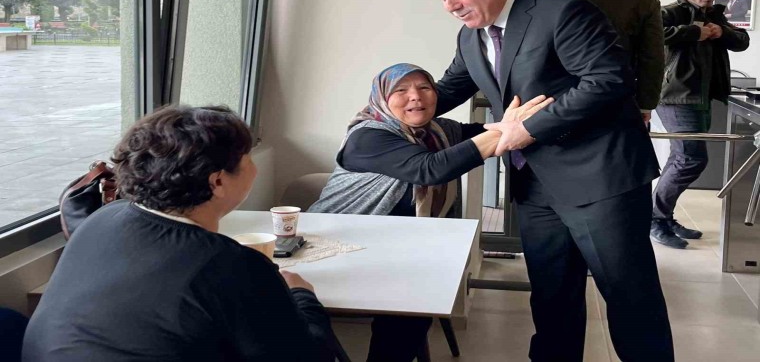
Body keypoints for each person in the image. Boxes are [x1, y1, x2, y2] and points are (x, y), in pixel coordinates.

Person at [430, 0, 673, 361]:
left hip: (601, 179)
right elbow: (448, 89)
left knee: (629, 296)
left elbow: (608, 79)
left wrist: (527, 129)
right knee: (551, 295)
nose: (451, 6)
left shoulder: (563, 12)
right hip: (534, 186)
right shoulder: (471, 35)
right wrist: (388, 110)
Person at [23, 105, 339, 362]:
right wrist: (302, 295)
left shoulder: (103, 218)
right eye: (247, 157)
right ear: (217, 182)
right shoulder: (230, 263)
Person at [309, 62, 551, 361]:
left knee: (413, 301)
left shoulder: (437, 130)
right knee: (409, 297)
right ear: (382, 97)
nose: (416, 97)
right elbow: (428, 169)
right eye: (401, 90)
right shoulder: (368, 136)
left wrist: (531, 122)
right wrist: (506, 132)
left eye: (424, 87)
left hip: (395, 247)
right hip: (338, 241)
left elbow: (489, 134)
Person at [651, 0, 750, 249]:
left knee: (681, 157)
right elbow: (653, 36)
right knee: (691, 159)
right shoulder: (668, 12)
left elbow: (742, 41)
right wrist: (696, 32)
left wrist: (721, 33)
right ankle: (655, 218)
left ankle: (664, 216)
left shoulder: (717, 15)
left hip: (704, 96)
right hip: (675, 96)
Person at [545, 0, 664, 124]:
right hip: (619, 96)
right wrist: (645, 104)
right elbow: (652, 56)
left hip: (562, 96)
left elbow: (540, 48)